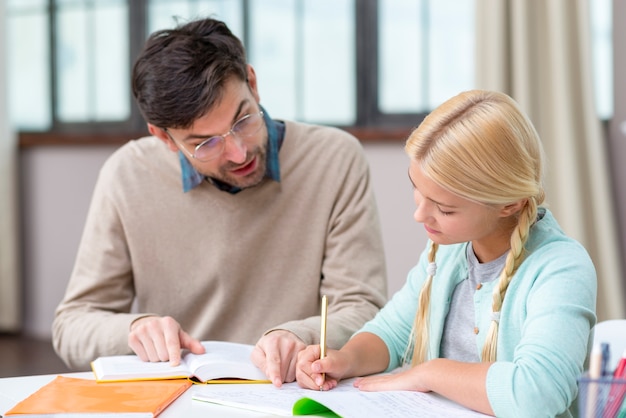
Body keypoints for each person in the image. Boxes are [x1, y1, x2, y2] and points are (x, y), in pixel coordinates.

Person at [52, 17, 388, 386]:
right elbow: (73, 324)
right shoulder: (127, 174)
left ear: (253, 84)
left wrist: (298, 336)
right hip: (179, 395)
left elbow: (362, 307)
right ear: (164, 138)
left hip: (291, 390)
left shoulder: (334, 158)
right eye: (204, 143)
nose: (238, 151)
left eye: (243, 119)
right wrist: (134, 329)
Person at [295, 90, 597, 417]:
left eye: (444, 209)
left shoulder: (562, 269)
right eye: (417, 188)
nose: (420, 215)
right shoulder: (444, 253)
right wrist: (346, 359)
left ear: (510, 203)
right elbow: (393, 332)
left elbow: (537, 395)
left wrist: (430, 373)